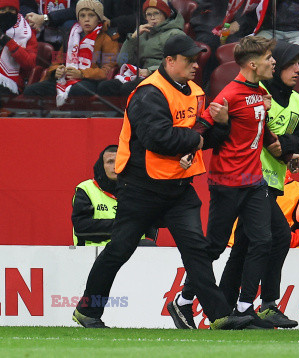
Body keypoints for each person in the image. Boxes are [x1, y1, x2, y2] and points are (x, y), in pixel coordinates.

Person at [72, 34, 254, 330]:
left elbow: (205, 137)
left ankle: (220, 315)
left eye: (197, 59)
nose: (196, 65)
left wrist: (222, 125)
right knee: (119, 249)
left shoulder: (195, 91)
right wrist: (197, 137)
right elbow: (157, 139)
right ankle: (88, 311)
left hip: (179, 188)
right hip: (141, 188)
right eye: (189, 60)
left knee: (196, 248)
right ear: (169, 61)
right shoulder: (148, 92)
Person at [168, 36, 278, 330]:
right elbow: (201, 126)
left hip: (254, 181)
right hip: (227, 182)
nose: (273, 62)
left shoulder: (259, 91)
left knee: (263, 241)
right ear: (253, 64)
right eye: (269, 57)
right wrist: (188, 153)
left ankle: (245, 307)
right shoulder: (228, 95)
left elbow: (259, 125)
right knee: (215, 246)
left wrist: (279, 147)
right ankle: (182, 301)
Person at [218, 41, 299, 329]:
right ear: (276, 64)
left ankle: (225, 307)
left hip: (272, 179)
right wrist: (283, 147)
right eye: (291, 63)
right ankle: (263, 304)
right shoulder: (258, 93)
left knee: (245, 244)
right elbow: (256, 136)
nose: (298, 69)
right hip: (249, 177)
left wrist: (290, 150)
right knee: (277, 236)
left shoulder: (297, 101)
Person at [23, 0, 118, 106]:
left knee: (77, 92)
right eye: (82, 15)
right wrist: (56, 71)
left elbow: (107, 71)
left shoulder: (108, 38)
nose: (86, 19)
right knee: (31, 91)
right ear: (78, 18)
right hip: (65, 79)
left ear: (99, 18)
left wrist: (81, 73)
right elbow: (56, 63)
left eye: (91, 15)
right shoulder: (70, 35)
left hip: (91, 80)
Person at [71, 145, 156, 247]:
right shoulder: (86, 189)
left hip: (134, 251)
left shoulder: (138, 190)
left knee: (148, 245)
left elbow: (151, 223)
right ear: (102, 166)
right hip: (95, 253)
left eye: (119, 161)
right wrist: (123, 226)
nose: (115, 166)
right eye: (110, 162)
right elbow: (81, 227)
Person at [97, 0, 184, 97]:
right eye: (149, 14)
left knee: (128, 88)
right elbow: (122, 61)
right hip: (140, 74)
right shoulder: (143, 33)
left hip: (161, 76)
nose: (153, 18)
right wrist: (133, 38)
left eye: (156, 13)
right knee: (105, 86)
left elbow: (175, 63)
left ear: (165, 15)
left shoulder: (175, 34)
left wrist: (149, 71)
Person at [0, 0, 37, 96]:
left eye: (11, 10)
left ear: (17, 12)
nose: (7, 13)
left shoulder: (27, 33)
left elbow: (30, 63)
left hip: (11, 83)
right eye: (3, 10)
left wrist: (8, 42)